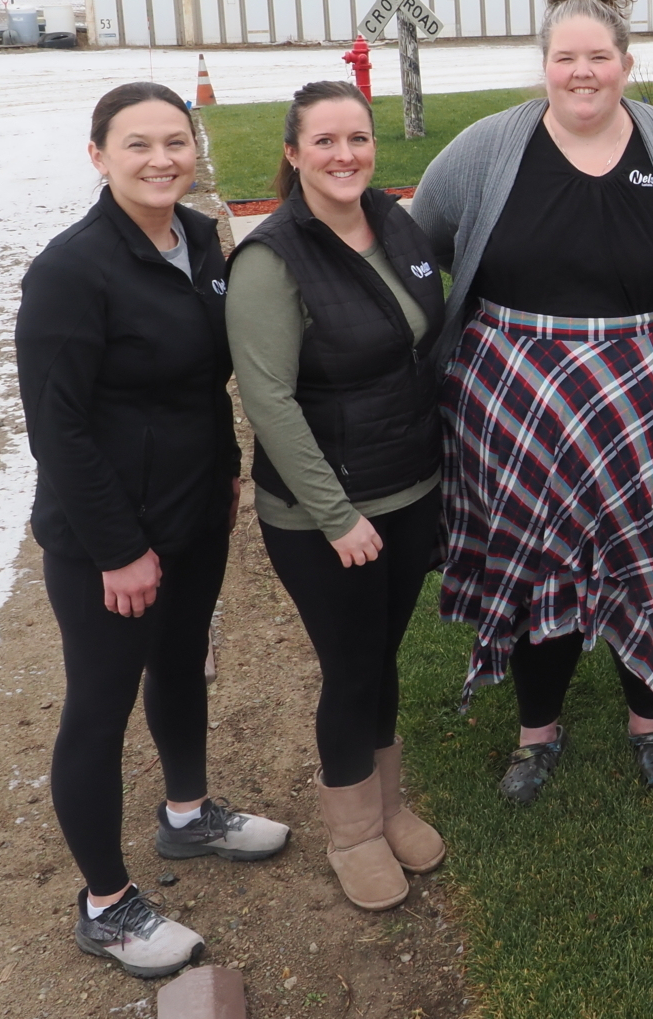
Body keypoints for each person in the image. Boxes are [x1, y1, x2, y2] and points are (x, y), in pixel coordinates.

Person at [410, 0, 653, 803]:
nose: (581, 73)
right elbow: (422, 242)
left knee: (652, 560)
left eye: (598, 57)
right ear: (544, 65)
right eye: (565, 58)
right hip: (513, 401)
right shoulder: (485, 150)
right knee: (535, 563)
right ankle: (536, 732)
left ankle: (652, 723)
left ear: (626, 64)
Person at [16, 82, 288, 981]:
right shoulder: (72, 270)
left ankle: (188, 815)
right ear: (98, 155)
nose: (162, 159)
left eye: (176, 140)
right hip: (108, 537)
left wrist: (228, 472)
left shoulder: (201, 240)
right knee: (100, 706)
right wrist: (118, 550)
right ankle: (106, 905)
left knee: (180, 664)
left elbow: (207, 380)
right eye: (137, 144)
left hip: (193, 510)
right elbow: (57, 428)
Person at [226, 80, 447, 912]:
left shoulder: (392, 222)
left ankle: (387, 807)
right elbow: (269, 400)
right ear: (293, 154)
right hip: (326, 515)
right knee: (351, 668)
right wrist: (337, 515)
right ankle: (352, 831)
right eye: (324, 141)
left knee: (382, 657)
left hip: (410, 488)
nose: (345, 155)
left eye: (358, 137)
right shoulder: (271, 259)